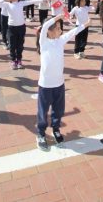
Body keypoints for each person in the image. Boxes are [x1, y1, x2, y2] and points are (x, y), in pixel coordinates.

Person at [35, 14, 89, 151]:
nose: (61, 31)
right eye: (58, 28)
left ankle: (56, 129)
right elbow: (45, 26)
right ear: (49, 31)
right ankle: (41, 133)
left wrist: (85, 25)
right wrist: (57, 17)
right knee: (43, 111)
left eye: (60, 28)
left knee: (58, 110)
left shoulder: (60, 41)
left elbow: (73, 32)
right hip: (45, 85)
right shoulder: (44, 42)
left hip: (59, 84)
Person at [0, 0, 43, 69]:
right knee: (12, 45)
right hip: (11, 28)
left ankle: (19, 60)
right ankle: (13, 60)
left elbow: (32, 1)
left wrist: (42, 0)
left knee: (20, 45)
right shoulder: (7, 4)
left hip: (21, 27)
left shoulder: (21, 3)